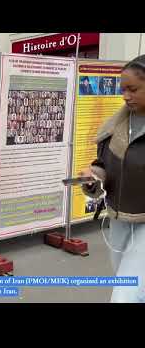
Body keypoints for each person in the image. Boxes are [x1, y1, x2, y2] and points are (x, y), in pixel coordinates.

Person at [80, 54, 145, 303]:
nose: (125, 95)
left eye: (133, 89)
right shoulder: (114, 127)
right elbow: (104, 166)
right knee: (128, 283)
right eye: (123, 89)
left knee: (125, 296)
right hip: (118, 218)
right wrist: (94, 177)